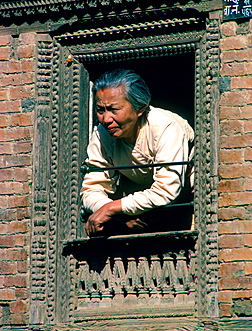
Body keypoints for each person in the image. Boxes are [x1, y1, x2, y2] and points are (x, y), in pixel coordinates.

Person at [81, 68, 194, 237]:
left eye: (114, 110)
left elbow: (166, 190)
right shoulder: (102, 134)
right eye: (100, 110)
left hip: (184, 202)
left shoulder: (165, 127)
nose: (106, 119)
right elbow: (91, 189)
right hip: (137, 211)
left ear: (140, 108)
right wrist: (120, 213)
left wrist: (113, 209)